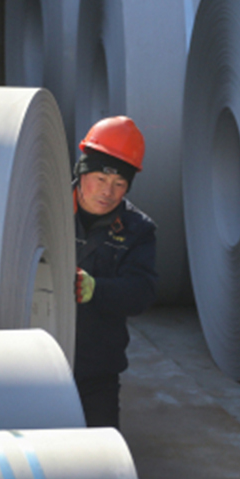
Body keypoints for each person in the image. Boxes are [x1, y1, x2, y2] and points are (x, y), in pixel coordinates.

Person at [73, 116, 158, 428]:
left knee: (99, 451)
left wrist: (97, 289)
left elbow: (142, 292)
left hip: (96, 372)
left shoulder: (138, 230)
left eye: (119, 184)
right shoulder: (42, 208)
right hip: (35, 365)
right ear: (82, 172)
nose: (108, 192)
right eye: (100, 178)